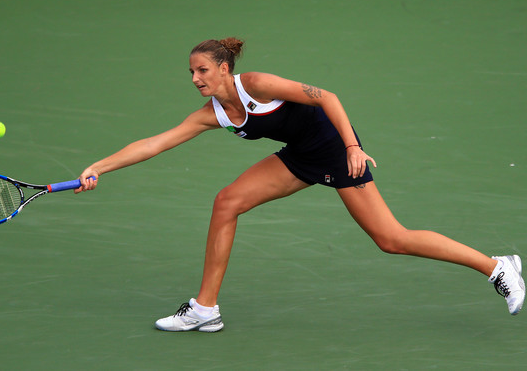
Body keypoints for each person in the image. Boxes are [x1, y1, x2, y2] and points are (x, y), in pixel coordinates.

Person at [75, 37, 525, 332]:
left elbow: (326, 96)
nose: (195, 79)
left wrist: (351, 146)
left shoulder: (258, 85)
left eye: (202, 71)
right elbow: (154, 144)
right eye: (191, 73)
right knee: (227, 202)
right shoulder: (212, 113)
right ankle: (205, 308)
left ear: (225, 68)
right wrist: (98, 166)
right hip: (299, 156)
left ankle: (497, 267)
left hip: (334, 147)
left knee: (392, 239)